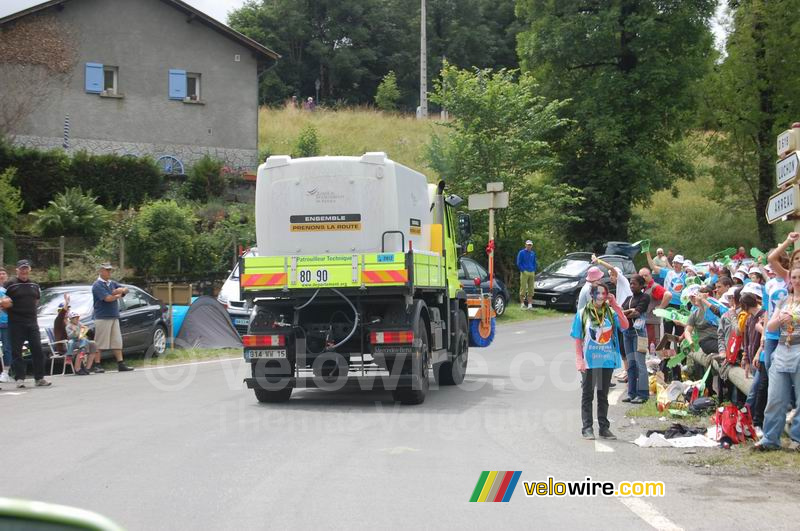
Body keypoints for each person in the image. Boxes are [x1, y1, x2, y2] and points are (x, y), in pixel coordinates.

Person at [572, 283, 629, 440]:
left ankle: (604, 428)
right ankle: (587, 428)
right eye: (599, 293)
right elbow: (577, 338)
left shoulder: (610, 312)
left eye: (605, 293)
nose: (602, 296)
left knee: (603, 395)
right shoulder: (582, 314)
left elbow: (625, 325)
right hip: (589, 361)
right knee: (587, 395)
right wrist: (579, 360)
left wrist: (617, 306)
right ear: (592, 295)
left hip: (606, 360)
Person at [754, 266, 800, 451]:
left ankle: (797, 438)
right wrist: (781, 320)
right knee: (775, 397)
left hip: (799, 346)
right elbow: (770, 327)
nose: (797, 280)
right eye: (794, 277)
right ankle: (770, 438)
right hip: (782, 349)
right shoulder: (783, 301)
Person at [0, 260, 51, 388]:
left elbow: (37, 300)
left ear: (29, 269)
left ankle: (39, 378)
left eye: (26, 268)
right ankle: (20, 378)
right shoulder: (9, 284)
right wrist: (7, 307)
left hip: (32, 322)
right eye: (22, 269)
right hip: (16, 323)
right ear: (17, 270)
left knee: (37, 350)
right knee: (17, 351)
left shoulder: (34, 284)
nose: (24, 271)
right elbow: (2, 301)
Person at [92, 264, 133, 372]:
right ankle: (97, 364)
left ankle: (120, 363)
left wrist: (120, 291)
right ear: (101, 271)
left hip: (114, 316)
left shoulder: (112, 283)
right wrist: (117, 294)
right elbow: (108, 299)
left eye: (110, 270)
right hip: (102, 316)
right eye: (107, 270)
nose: (109, 272)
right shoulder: (97, 285)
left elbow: (126, 290)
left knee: (117, 341)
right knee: (100, 342)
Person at [621, 275, 650, 404]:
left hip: (639, 334)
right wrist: (628, 311)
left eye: (634, 284)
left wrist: (627, 312)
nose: (632, 286)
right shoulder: (628, 298)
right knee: (631, 364)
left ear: (641, 285)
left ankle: (643, 394)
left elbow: (636, 313)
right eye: (631, 284)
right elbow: (620, 312)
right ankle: (631, 393)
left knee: (640, 364)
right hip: (627, 333)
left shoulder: (645, 297)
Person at [639, 267, 670, 350]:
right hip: (643, 322)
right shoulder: (643, 287)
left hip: (652, 321)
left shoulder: (654, 287)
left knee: (653, 347)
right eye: (641, 276)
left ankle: (657, 362)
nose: (643, 278)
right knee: (644, 347)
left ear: (650, 276)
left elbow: (668, 295)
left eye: (646, 275)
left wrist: (660, 308)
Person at [683, 286, 720, 355]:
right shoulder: (695, 313)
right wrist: (690, 341)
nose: (694, 299)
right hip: (706, 340)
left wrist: (704, 300)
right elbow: (687, 330)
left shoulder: (715, 308)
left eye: (695, 296)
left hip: (720, 338)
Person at [516, 240, 537, 310]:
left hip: (531, 272)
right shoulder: (521, 252)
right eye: (528, 245)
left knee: (531, 289)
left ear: (532, 246)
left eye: (530, 245)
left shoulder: (533, 253)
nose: (529, 246)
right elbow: (518, 263)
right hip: (524, 272)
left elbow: (534, 262)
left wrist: (534, 270)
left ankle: (530, 305)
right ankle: (522, 304)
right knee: (523, 288)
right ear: (525, 245)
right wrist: (523, 270)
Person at [0, 267, 11, 383]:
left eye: (4, 273)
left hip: (7, 322)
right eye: (0, 274)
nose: (2, 275)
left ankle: (6, 372)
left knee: (7, 348)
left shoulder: (9, 289)